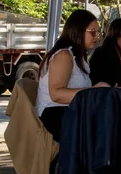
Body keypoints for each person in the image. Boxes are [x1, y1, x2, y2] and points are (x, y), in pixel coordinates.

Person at [35, 10, 108, 141]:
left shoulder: (79, 57)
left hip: (69, 111)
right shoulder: (63, 55)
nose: (96, 36)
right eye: (92, 32)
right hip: (55, 114)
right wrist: (93, 92)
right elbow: (56, 94)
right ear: (78, 30)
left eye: (97, 32)